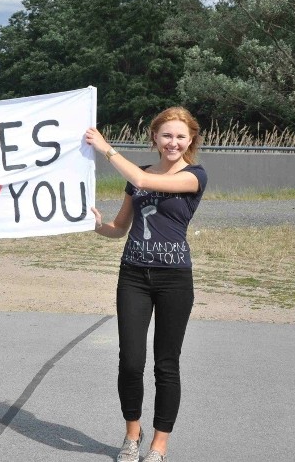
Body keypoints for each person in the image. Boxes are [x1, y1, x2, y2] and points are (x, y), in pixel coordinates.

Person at [85, 107, 207, 462]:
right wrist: (95, 224)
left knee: (166, 363)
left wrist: (106, 149)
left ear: (191, 140)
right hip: (134, 276)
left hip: (174, 280)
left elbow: (143, 180)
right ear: (154, 137)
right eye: (166, 135)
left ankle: (159, 445)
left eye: (181, 136)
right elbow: (120, 228)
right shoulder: (137, 176)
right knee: (130, 361)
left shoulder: (195, 175)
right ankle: (132, 435)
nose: (173, 142)